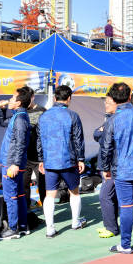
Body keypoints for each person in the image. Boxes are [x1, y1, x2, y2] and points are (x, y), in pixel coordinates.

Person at [98, 82, 133, 254]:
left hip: (122, 170)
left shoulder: (113, 120)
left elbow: (106, 147)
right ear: (130, 97)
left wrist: (105, 168)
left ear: (114, 99)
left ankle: (126, 244)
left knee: (126, 207)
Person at [37, 85, 86, 238]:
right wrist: (81, 158)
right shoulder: (73, 115)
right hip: (68, 161)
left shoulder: (43, 116)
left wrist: (41, 159)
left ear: (54, 97)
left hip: (50, 161)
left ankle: (49, 228)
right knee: (74, 192)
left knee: (49, 194)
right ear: (69, 98)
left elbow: (40, 140)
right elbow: (78, 139)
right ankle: (75, 222)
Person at [0, 87, 32, 239]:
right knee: (19, 194)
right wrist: (2, 109)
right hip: (13, 162)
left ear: (18, 102)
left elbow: (21, 143)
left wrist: (15, 163)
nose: (9, 100)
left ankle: (13, 228)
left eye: (11, 99)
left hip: (12, 163)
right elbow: (2, 122)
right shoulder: (18, 116)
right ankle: (22, 226)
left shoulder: (20, 119)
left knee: (10, 196)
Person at [94, 95, 118, 238]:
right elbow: (96, 133)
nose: (106, 105)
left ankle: (111, 227)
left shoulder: (115, 120)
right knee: (110, 196)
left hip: (113, 165)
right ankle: (111, 226)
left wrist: (106, 167)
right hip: (109, 164)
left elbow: (105, 139)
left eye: (108, 103)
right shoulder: (108, 118)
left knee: (105, 195)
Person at [22, 89, 46, 206]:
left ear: (32, 97)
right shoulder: (22, 112)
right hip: (25, 156)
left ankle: (47, 211)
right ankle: (26, 211)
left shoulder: (42, 111)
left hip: (40, 157)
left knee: (42, 185)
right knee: (24, 185)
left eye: (27, 97)